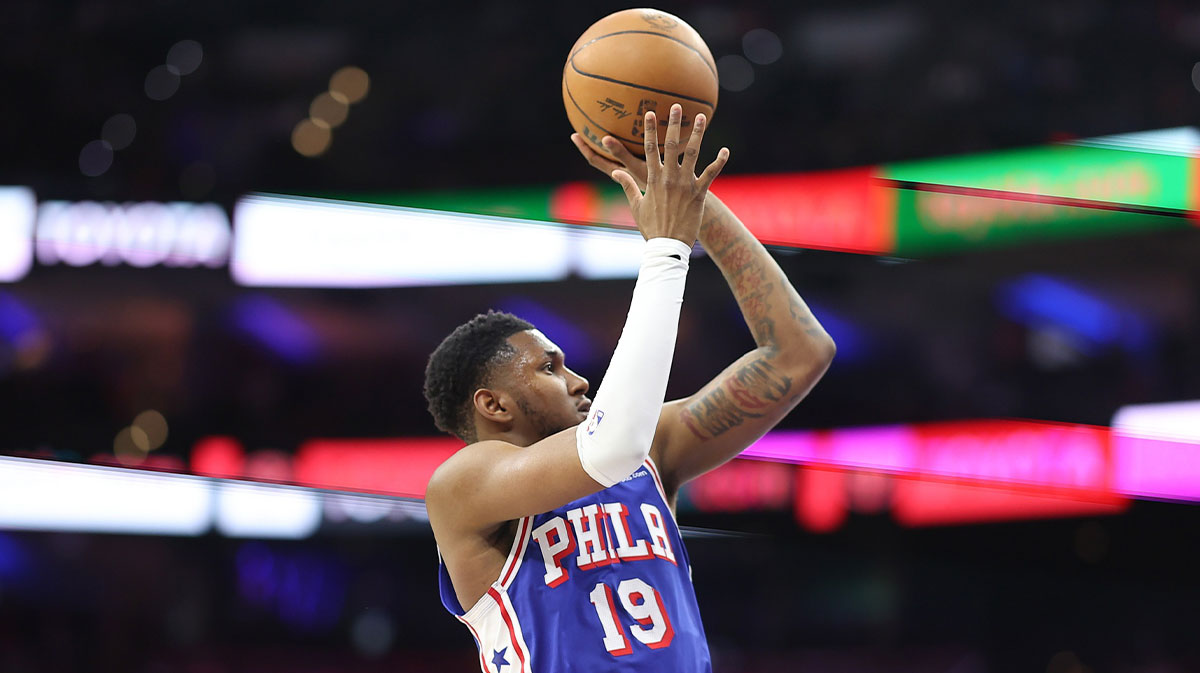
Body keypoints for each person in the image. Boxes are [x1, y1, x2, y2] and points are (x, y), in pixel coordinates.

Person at [424, 104, 836, 673]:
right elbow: (609, 445)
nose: (577, 379)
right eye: (549, 369)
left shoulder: (650, 452)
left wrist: (690, 203)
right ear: (493, 405)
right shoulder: (464, 484)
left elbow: (799, 354)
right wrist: (665, 250)